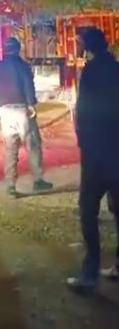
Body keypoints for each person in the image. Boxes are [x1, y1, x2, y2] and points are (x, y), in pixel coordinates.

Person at [67, 27, 119, 292]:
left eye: (79, 42)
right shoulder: (116, 68)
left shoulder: (91, 72)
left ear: (87, 45)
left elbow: (85, 111)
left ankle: (89, 272)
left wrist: (83, 142)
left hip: (97, 153)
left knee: (88, 211)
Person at [0, 37, 53, 197]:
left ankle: (10, 186)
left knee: (10, 149)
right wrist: (31, 104)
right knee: (33, 145)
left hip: (5, 112)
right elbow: (28, 85)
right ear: (18, 49)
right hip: (22, 109)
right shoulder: (22, 66)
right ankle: (37, 180)